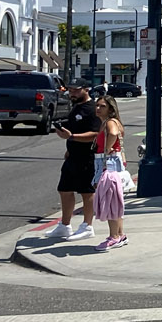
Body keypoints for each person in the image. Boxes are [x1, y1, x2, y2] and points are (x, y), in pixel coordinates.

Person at [47, 79, 100, 240]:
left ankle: (87, 226)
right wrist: (68, 146)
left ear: (86, 89)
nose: (72, 93)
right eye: (70, 90)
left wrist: (73, 137)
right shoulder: (76, 107)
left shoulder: (93, 109)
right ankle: (65, 225)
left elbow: (95, 134)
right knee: (64, 189)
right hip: (73, 155)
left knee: (87, 191)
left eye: (76, 90)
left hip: (88, 157)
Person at [92, 95, 129, 251]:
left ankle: (114, 237)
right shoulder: (108, 123)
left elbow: (113, 133)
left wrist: (107, 149)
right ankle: (120, 234)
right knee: (115, 201)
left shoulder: (110, 123)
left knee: (110, 200)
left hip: (108, 164)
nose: (98, 109)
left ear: (110, 109)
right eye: (97, 105)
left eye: (102, 106)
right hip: (113, 163)